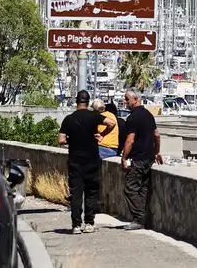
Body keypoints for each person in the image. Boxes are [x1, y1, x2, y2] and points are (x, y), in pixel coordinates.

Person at [58, 90, 115, 235]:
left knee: (76, 193)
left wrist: (72, 140)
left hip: (75, 161)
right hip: (92, 160)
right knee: (91, 192)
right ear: (88, 102)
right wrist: (101, 135)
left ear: (77, 101)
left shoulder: (68, 119)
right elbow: (112, 123)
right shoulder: (94, 116)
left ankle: (76, 225)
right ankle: (89, 223)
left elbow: (61, 140)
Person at [121, 90, 162, 231]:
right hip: (149, 158)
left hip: (138, 158)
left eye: (127, 99)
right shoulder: (149, 115)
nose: (125, 102)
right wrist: (156, 152)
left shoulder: (133, 118)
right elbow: (157, 135)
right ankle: (142, 219)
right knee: (143, 190)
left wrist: (124, 158)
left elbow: (130, 140)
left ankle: (138, 218)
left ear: (135, 99)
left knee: (130, 188)